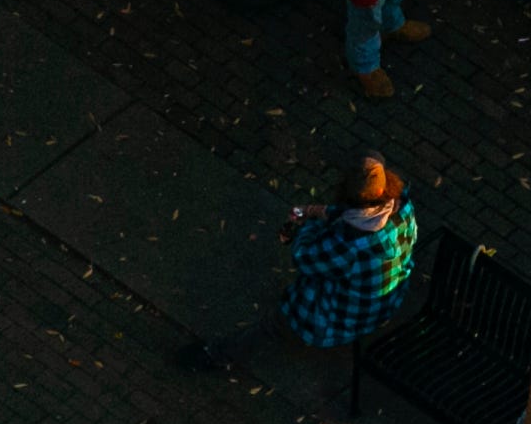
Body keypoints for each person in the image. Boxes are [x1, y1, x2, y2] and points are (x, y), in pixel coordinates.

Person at [177, 155, 423, 375]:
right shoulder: (402, 205)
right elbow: (358, 213)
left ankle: (222, 356)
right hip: (390, 298)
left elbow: (304, 257)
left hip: (347, 316)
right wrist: (321, 211)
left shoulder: (350, 245)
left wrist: (307, 224)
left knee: (276, 323)